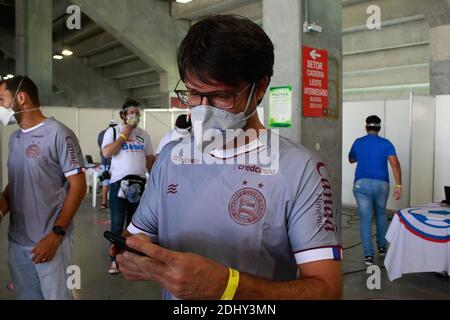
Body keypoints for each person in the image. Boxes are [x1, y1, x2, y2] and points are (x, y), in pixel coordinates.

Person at [112, 15, 342, 300]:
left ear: (259, 89)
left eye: (221, 96)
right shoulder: (172, 158)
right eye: (194, 94)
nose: (204, 110)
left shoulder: (301, 170)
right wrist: (132, 253)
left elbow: (327, 291)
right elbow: (140, 235)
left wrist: (228, 286)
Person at [0, 76, 87, 300]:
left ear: (21, 97)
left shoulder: (58, 133)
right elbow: (18, 182)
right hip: (18, 242)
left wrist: (56, 234)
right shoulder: (15, 138)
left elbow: (78, 186)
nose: (0, 106)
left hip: (50, 242)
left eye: (1, 99)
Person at [102, 98, 155, 275]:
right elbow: (107, 152)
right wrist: (125, 134)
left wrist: (155, 181)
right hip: (119, 183)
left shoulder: (144, 134)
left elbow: (149, 159)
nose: (134, 116)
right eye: (131, 113)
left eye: (137, 113)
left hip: (138, 183)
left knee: (135, 225)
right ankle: (114, 260)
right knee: (117, 224)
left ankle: (131, 259)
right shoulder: (114, 131)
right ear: (123, 115)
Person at [349, 115, 402, 266]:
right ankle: (382, 248)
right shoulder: (386, 144)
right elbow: (395, 164)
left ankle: (368, 256)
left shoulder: (358, 142)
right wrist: (399, 185)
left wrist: (364, 157)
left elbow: (351, 159)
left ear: (366, 128)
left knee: (365, 219)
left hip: (361, 185)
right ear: (379, 128)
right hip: (381, 185)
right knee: (381, 214)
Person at [97, 120, 117, 209]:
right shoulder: (115, 133)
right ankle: (114, 203)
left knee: (105, 182)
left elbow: (100, 145)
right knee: (115, 183)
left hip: (104, 162)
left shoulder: (101, 133)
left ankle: (104, 202)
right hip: (113, 162)